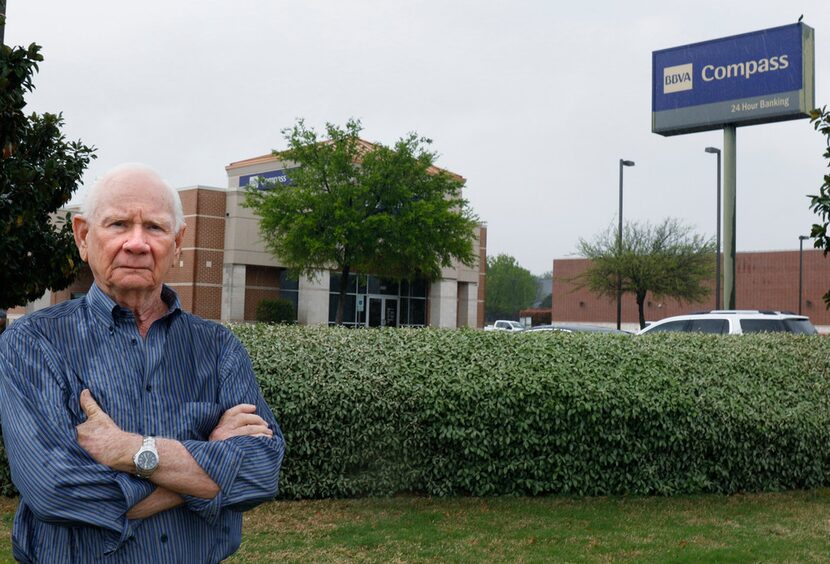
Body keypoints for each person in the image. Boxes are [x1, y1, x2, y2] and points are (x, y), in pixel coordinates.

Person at [0, 163, 285, 562]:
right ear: (83, 236)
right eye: (118, 224)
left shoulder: (219, 348)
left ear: (178, 241)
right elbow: (55, 488)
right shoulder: (32, 343)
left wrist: (129, 450)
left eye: (154, 227)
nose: (137, 243)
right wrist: (207, 463)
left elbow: (261, 471)